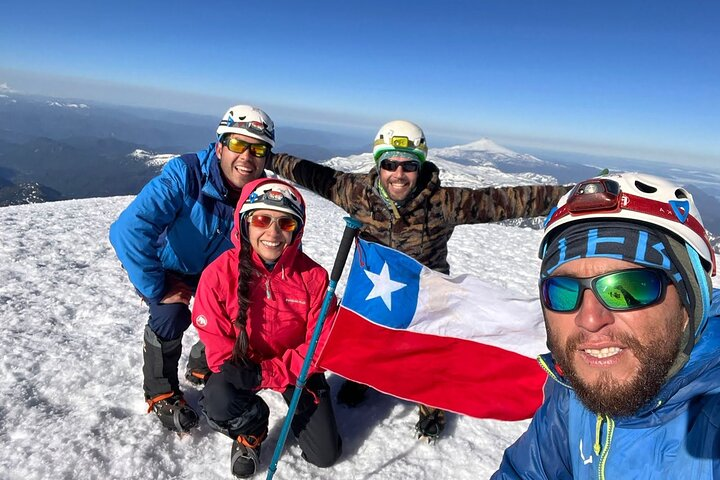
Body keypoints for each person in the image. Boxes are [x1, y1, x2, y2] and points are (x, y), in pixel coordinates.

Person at [269, 119, 572, 440]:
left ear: (420, 166)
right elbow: (311, 175)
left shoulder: (442, 202)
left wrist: (573, 194)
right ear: (379, 164)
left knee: (430, 357)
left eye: (408, 165)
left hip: (428, 298)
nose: (398, 174)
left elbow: (507, 200)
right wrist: (271, 160)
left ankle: (431, 408)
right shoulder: (355, 192)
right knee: (368, 337)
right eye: (389, 163)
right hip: (377, 293)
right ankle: (360, 380)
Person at [493, 172, 720, 478]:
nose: (589, 319)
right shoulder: (573, 392)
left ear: (688, 304)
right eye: (563, 291)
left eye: (628, 289)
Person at [109, 105, 275, 433]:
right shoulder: (186, 174)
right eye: (238, 144)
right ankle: (160, 392)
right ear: (220, 147)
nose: (247, 156)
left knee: (245, 310)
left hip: (221, 275)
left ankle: (206, 362)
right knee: (171, 315)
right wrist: (157, 287)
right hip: (173, 268)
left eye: (257, 149)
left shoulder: (263, 195)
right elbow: (128, 229)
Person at [191, 178, 342, 478]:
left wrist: (270, 373)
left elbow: (321, 344)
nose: (272, 232)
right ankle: (252, 427)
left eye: (285, 223)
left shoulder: (313, 278)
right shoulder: (219, 274)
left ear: (296, 230)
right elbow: (218, 341)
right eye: (262, 219)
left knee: (324, 454)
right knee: (219, 400)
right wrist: (239, 369)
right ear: (245, 223)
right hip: (243, 360)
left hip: (295, 368)